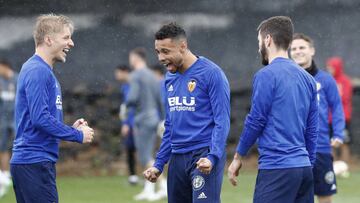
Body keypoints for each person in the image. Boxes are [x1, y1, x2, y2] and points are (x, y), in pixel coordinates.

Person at [228, 16, 318, 203]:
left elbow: (256, 119)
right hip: (303, 169)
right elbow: (312, 128)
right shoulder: (308, 79)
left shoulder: (266, 75)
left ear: (267, 39)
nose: (258, 46)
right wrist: (309, 164)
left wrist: (238, 155)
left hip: (277, 168)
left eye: (259, 41)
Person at [10, 14, 94, 203]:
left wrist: (71, 129)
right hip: (33, 163)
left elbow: (39, 118)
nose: (71, 43)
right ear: (48, 39)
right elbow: (40, 118)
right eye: (66, 37)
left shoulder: (41, 70)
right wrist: (77, 135)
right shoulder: (38, 70)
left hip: (33, 163)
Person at [144, 22, 230, 203]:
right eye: (158, 52)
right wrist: (158, 164)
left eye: (166, 51)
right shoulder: (169, 79)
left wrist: (213, 156)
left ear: (183, 46)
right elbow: (170, 125)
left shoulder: (211, 74)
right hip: (177, 158)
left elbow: (222, 120)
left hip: (203, 156)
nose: (160, 57)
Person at [290, 33, 345, 203]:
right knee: (295, 196)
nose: (298, 51)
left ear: (312, 50)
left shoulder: (326, 80)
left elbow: (336, 107)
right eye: (294, 48)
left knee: (324, 194)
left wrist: (338, 133)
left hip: (321, 146)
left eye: (302, 47)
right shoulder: (287, 78)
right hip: (294, 148)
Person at [125, 47, 166, 201]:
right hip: (154, 118)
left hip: (142, 119)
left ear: (135, 58)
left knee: (144, 155)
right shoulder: (152, 75)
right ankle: (149, 188)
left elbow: (132, 97)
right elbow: (159, 99)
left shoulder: (135, 75)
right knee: (148, 153)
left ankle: (163, 186)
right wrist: (162, 118)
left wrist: (125, 105)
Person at [114, 64, 138, 185]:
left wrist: (131, 123)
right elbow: (125, 107)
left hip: (137, 124)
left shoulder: (135, 85)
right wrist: (125, 122)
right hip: (129, 123)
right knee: (129, 149)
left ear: (124, 72)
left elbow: (134, 107)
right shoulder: (124, 87)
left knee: (144, 151)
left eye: (118, 72)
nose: (116, 75)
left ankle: (151, 178)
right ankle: (133, 176)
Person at [326, 57, 353, 164]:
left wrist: (331, 97)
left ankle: (345, 166)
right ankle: (333, 165)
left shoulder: (345, 81)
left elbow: (345, 97)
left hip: (343, 117)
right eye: (328, 68)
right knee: (330, 142)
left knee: (344, 142)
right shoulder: (327, 80)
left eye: (331, 68)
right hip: (328, 118)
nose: (330, 70)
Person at [0, 59, 17, 198]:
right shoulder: (0, 81)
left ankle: (19, 173)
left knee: (21, 145)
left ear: (5, 67)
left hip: (17, 119)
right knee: (3, 147)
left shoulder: (18, 79)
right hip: (3, 120)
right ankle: (5, 174)